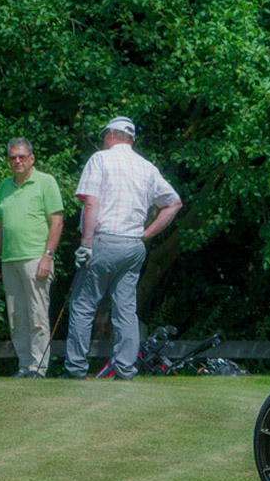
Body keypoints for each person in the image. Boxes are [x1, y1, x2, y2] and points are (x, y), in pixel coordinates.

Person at [62, 116, 182, 380]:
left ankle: (75, 369)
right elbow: (174, 202)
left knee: (83, 305)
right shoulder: (146, 167)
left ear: (112, 136)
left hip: (104, 241)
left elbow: (91, 203)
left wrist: (86, 243)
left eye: (105, 135)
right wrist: (147, 234)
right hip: (133, 245)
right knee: (126, 309)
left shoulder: (100, 159)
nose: (104, 140)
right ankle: (126, 370)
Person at [0, 137, 64, 378]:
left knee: (37, 314)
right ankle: (24, 367)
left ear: (31, 158)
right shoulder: (4, 187)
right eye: (13, 157)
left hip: (36, 258)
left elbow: (57, 222)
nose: (17, 161)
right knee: (16, 317)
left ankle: (38, 368)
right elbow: (1, 226)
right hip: (10, 260)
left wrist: (48, 256)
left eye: (22, 156)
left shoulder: (45, 182)